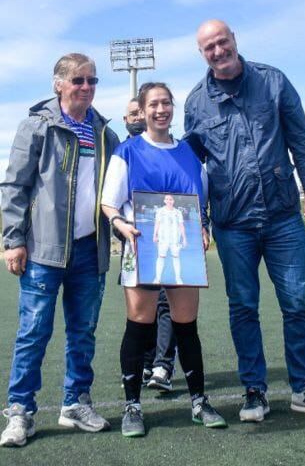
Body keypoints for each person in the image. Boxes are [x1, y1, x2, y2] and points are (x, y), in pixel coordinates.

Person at [184, 19, 305, 422]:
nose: (218, 51)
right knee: (242, 307)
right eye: (209, 47)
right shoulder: (195, 103)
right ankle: (254, 392)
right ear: (202, 53)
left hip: (281, 216)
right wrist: (196, 218)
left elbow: (300, 136)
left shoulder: (273, 82)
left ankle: (304, 389)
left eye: (222, 42)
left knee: (296, 303)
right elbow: (192, 168)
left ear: (234, 40)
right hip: (232, 222)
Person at [0, 52, 119, 448]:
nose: (86, 87)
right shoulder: (37, 127)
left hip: (90, 250)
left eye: (92, 81)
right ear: (59, 84)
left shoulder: (105, 133)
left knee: (83, 333)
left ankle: (75, 403)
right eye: (78, 80)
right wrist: (14, 239)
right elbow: (15, 186)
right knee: (34, 332)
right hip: (44, 251)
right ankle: (21, 412)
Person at [102, 82, 227, 437]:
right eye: (154, 104)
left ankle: (200, 402)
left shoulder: (188, 154)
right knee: (139, 324)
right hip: (140, 246)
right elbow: (109, 202)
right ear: (142, 111)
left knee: (186, 325)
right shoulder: (127, 152)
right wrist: (120, 224)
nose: (161, 110)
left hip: (183, 248)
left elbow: (198, 201)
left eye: (166, 103)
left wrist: (202, 226)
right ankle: (132, 406)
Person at [124, 98, 178, 392]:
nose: (137, 118)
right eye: (132, 113)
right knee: (140, 309)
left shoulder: (172, 149)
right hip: (135, 243)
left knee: (166, 304)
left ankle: (163, 364)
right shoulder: (123, 152)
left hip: (167, 240)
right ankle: (145, 363)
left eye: (139, 112)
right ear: (126, 118)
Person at [152, 194, 187, 285]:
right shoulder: (160, 211)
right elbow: (157, 223)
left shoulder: (178, 212)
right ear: (164, 201)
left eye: (170, 199)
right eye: (167, 199)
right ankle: (157, 279)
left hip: (175, 239)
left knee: (176, 258)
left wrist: (184, 238)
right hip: (163, 239)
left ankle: (178, 279)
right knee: (161, 257)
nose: (169, 201)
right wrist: (154, 235)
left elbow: (181, 225)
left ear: (173, 201)